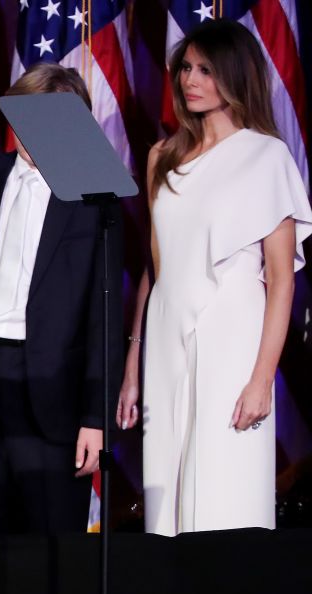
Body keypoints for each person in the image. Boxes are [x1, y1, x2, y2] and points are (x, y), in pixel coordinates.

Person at [117, 19, 309, 536]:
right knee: (166, 493)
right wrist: (133, 364)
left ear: (234, 76)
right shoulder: (163, 157)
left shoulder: (267, 155)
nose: (190, 80)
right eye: (185, 68)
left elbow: (281, 279)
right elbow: (154, 269)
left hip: (232, 338)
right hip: (165, 336)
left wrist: (262, 379)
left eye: (205, 69)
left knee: (226, 485)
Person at [0, 64, 123, 534]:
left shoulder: (97, 198)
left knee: (50, 536)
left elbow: (103, 315)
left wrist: (96, 418)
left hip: (54, 390)